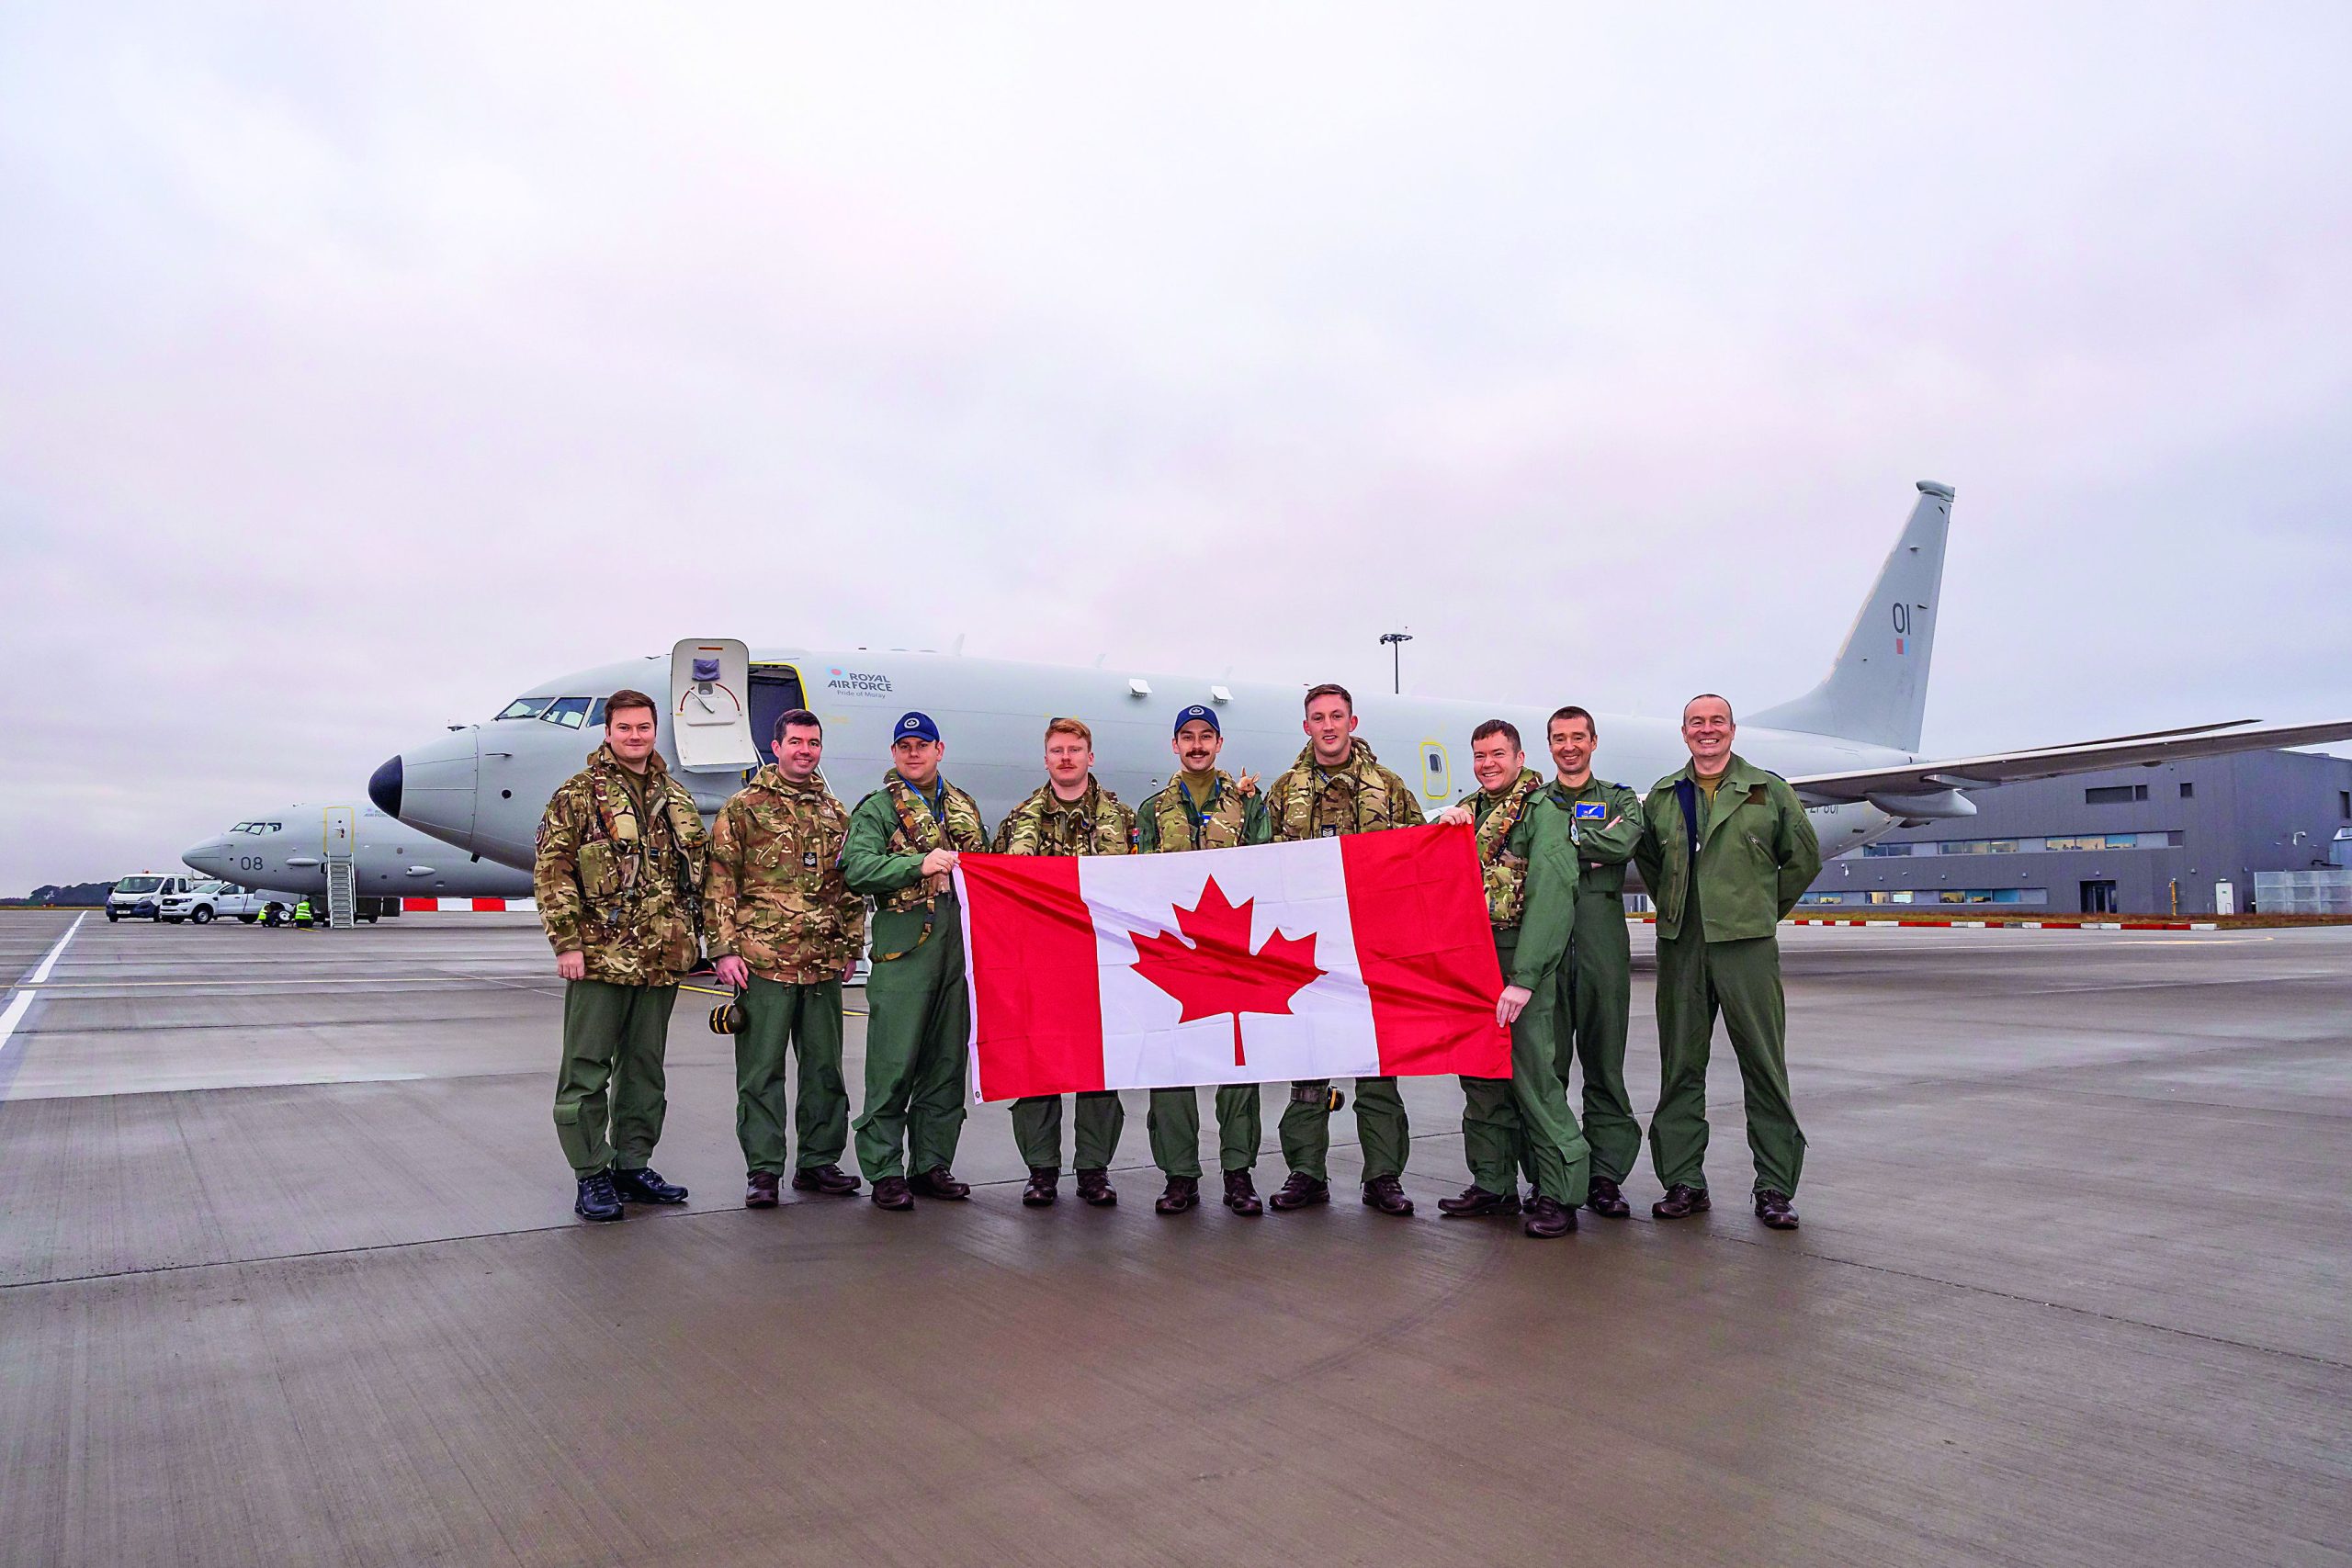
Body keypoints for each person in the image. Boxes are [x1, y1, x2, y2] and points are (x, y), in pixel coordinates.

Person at [1634, 694, 1822, 1230]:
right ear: (1684, 732)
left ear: (1733, 730)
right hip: (1682, 946)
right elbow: (1650, 862)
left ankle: (1775, 1189)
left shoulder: (1768, 791)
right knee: (1681, 1068)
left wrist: (1757, 911)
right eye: (1697, 723)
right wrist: (1681, 911)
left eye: (1716, 722)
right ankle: (1684, 1181)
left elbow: (1802, 859)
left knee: (1763, 1068)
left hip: (1747, 947)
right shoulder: (1665, 796)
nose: (1707, 731)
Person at [533, 688, 709, 1223]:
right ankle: (592, 1174)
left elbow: (693, 879)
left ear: (656, 731)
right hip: (601, 956)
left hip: (661, 959)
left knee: (644, 1069)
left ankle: (633, 1165)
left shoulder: (675, 798)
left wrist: (701, 943)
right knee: (586, 1069)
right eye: (625, 728)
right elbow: (553, 869)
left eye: (645, 728)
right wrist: (566, 942)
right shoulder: (578, 795)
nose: (636, 737)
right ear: (608, 733)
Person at [1261, 682, 1425, 1216]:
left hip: (1372, 952)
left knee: (1377, 1070)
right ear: (1305, 726)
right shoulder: (1283, 793)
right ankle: (1306, 1173)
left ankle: (1383, 1177)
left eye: (1337, 716)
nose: (1328, 725)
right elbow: (1258, 872)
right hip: (1306, 955)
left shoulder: (1390, 788)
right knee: (1308, 1074)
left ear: (1353, 722)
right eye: (1317, 717)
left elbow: (1421, 860)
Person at [1431, 720, 1590, 1238]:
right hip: (1471, 963)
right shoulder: (1471, 813)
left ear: (1520, 757)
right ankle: (1495, 1184)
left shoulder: (1543, 813)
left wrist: (1523, 978)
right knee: (1480, 1078)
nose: (1487, 764)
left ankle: (1560, 1194)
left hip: (1518, 960)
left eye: (1497, 754)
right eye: (1479, 756)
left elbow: (1551, 896)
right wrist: (1445, 828)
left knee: (1533, 1080)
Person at [707, 708, 866, 1209]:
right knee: (761, 1073)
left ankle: (819, 1162)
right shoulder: (744, 807)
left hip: (821, 963)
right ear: (776, 746)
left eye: (813, 743)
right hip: (762, 962)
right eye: (795, 741)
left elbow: (849, 888)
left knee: (824, 1071)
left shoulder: (836, 812)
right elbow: (719, 881)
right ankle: (764, 1170)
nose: (804, 750)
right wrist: (724, 949)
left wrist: (849, 947)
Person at [840, 712, 990, 1211]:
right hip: (905, 950)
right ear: (894, 753)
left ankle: (931, 1164)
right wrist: (916, 864)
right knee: (893, 1064)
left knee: (946, 1064)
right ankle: (884, 1169)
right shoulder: (878, 809)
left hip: (958, 953)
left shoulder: (964, 806)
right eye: (903, 745)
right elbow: (856, 868)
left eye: (921, 744)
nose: (912, 753)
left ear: (939, 749)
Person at [1133, 704, 1272, 1216]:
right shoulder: (1151, 811)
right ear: (1175, 745)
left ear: (1219, 743)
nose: (1196, 744)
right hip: (1175, 957)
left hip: (1234, 955)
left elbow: (1265, 870)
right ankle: (1179, 1177)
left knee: (1237, 1069)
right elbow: (1138, 884)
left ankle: (1238, 1174)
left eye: (1206, 736)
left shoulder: (1249, 807)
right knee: (1171, 1072)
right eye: (1187, 736)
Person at [994, 717, 1136, 1208]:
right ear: (1046, 758)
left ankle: (1094, 1170)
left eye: (1075, 749)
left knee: (1098, 1071)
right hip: (1039, 964)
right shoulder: (1019, 819)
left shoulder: (1123, 817)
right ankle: (1042, 1171)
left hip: (1103, 964)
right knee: (1038, 1067)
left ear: (1090, 757)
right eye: (1057, 750)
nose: (1067, 757)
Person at [1531, 705, 1645, 1219]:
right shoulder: (1533, 801)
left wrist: (1561, 843)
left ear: (1594, 742)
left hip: (1602, 946)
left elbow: (1624, 842)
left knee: (1605, 1068)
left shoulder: (1619, 798)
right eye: (1559, 738)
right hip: (1547, 946)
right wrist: (1590, 848)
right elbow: (1518, 853)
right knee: (1546, 1071)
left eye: (1578, 737)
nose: (1569, 746)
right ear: (1549, 745)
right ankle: (1551, 1178)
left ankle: (1605, 1177)